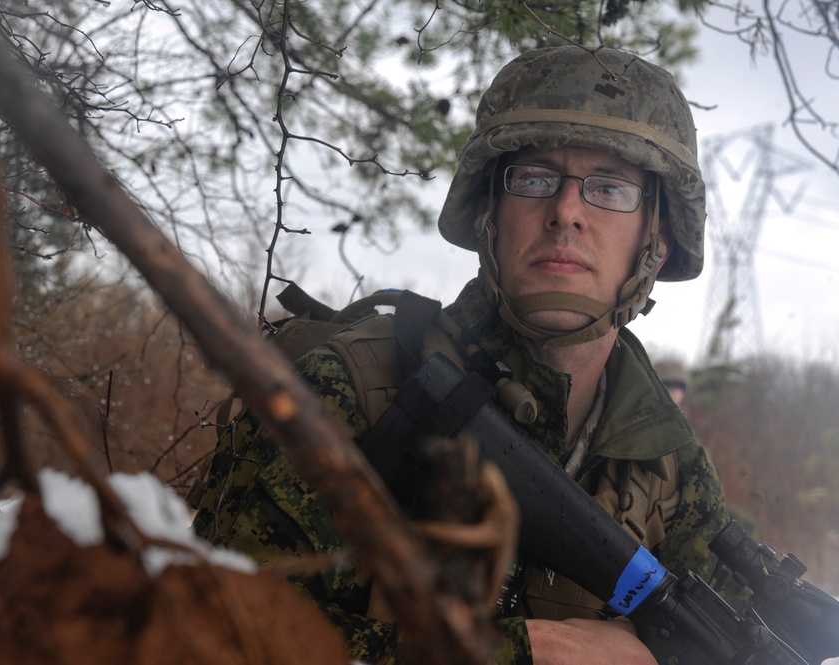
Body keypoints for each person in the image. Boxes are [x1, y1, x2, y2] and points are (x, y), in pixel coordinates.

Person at [192, 45, 733, 665]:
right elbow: (207, 636)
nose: (566, 212)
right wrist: (528, 653)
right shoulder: (351, 390)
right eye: (534, 178)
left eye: (610, 189)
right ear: (489, 215)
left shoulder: (670, 468)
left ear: (656, 246)